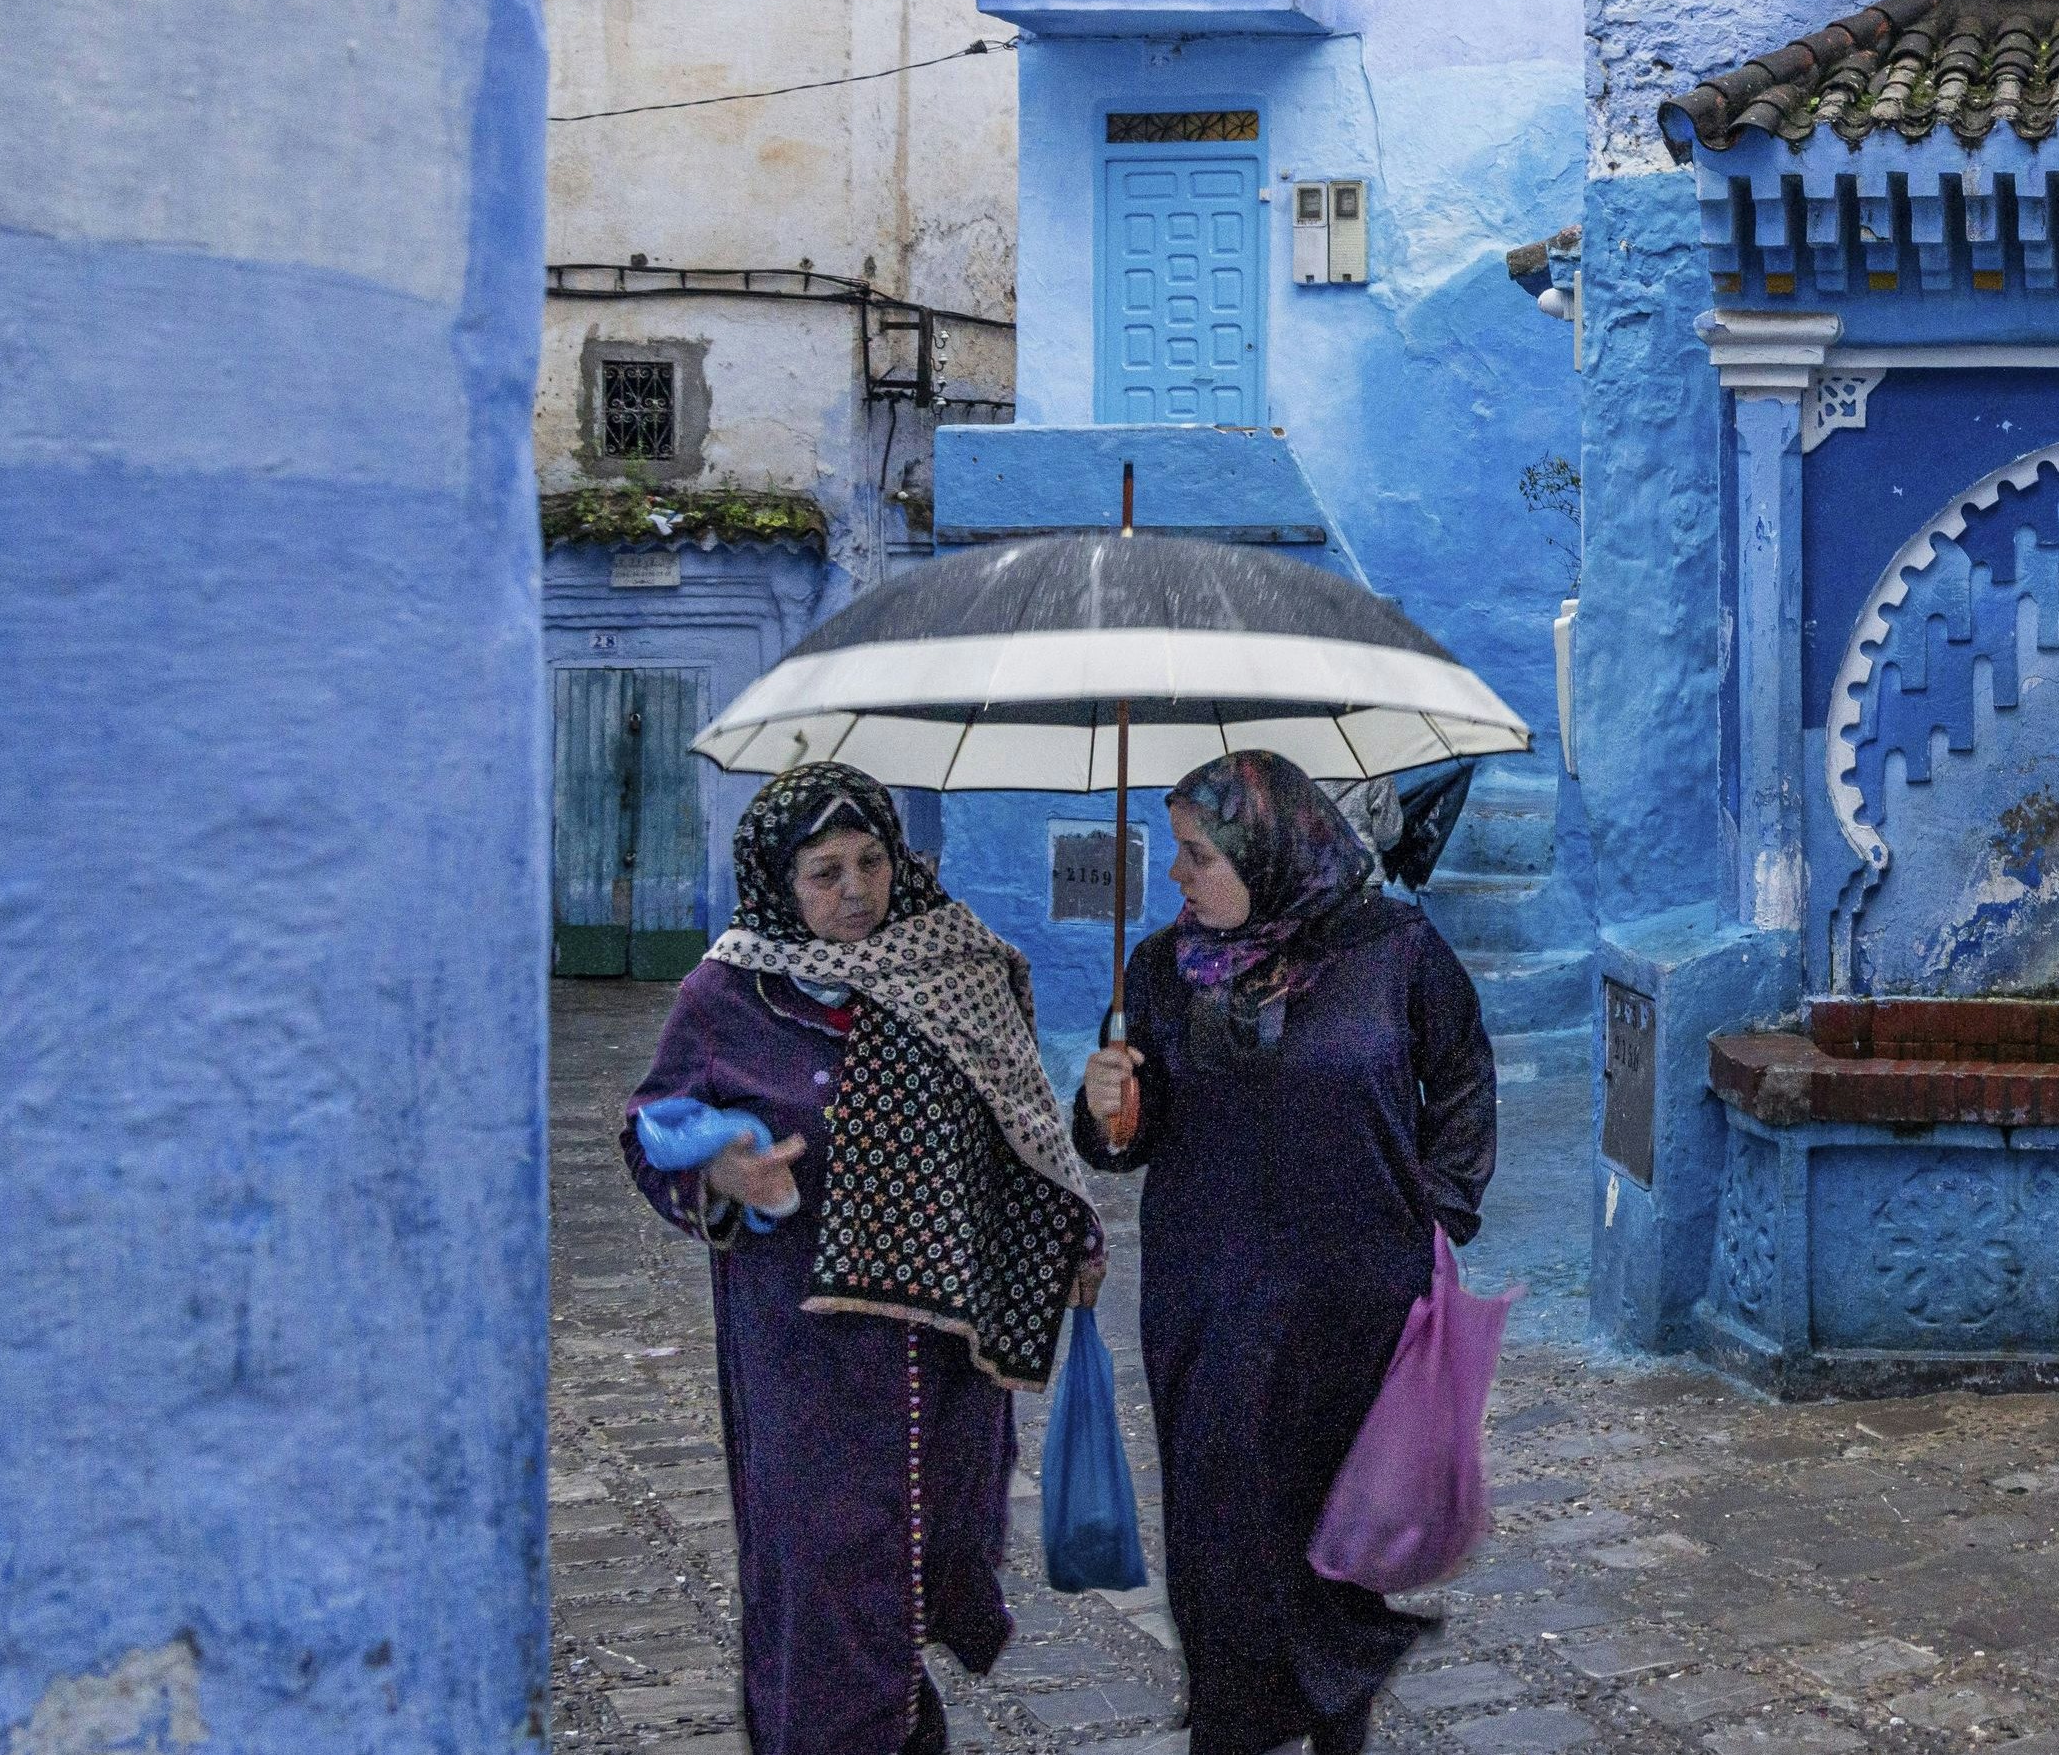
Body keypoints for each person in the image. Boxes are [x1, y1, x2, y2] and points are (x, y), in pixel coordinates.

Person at [624, 762, 1101, 1755]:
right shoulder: (730, 992)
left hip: (944, 1348)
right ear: (778, 883)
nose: (854, 893)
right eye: (825, 872)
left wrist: (1068, 1232)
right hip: (807, 1350)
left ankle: (902, 1721)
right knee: (823, 1566)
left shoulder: (959, 968)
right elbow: (647, 1130)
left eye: (872, 862)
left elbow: (1020, 1128)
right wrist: (722, 1174)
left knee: (927, 1551)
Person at [1074, 751, 1498, 1755]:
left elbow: (1464, 1081)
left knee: (1333, 1539)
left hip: (1355, 1304)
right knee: (1221, 1541)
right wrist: (1106, 1115)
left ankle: (1336, 1729)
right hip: (1209, 1301)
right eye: (1174, 854)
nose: (1176, 877)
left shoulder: (1394, 950)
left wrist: (1437, 1216)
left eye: (1196, 855)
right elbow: (1121, 1144)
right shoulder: (1156, 972)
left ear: (1268, 855)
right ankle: (1228, 1729)